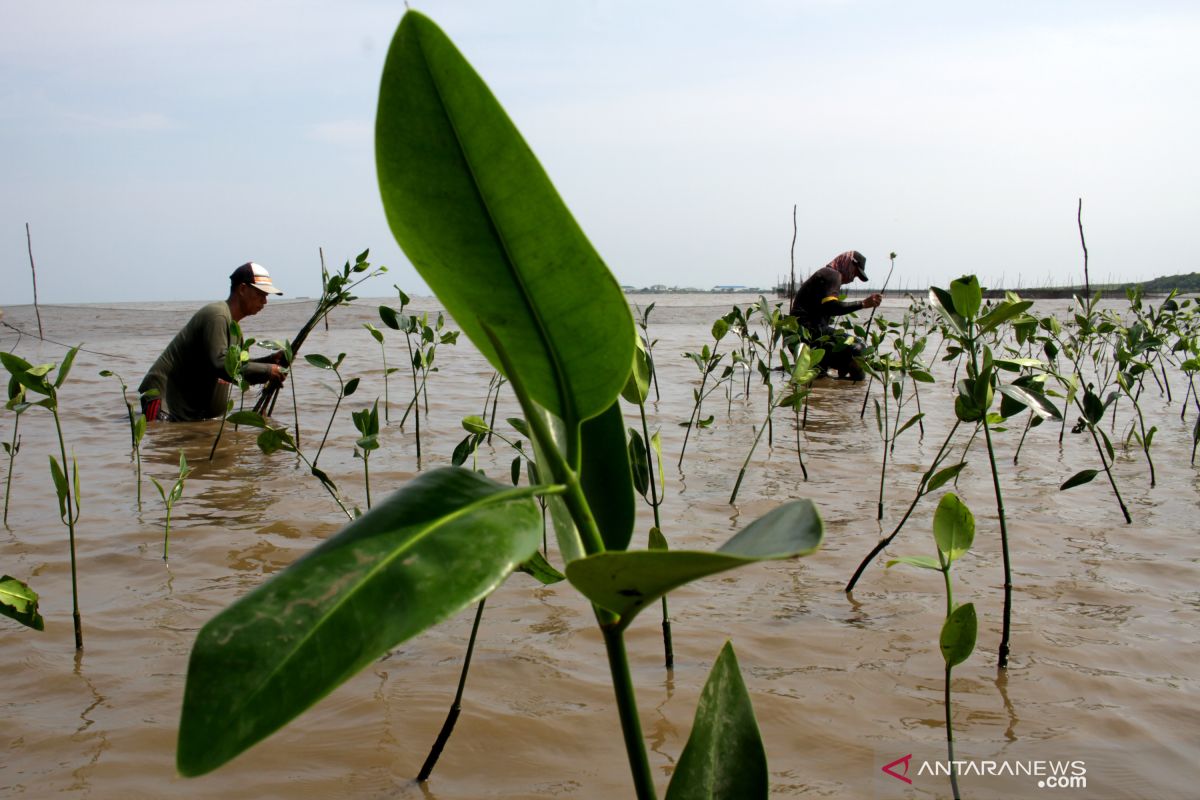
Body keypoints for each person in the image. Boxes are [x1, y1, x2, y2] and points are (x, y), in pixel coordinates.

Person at [138, 262, 287, 422]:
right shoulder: (217, 315)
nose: (264, 301)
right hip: (164, 405)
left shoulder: (234, 329)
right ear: (242, 289)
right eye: (261, 294)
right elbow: (220, 364)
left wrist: (270, 362)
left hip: (189, 416)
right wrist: (267, 370)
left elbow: (235, 370)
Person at [789, 250, 882, 381]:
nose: (852, 278)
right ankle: (856, 389)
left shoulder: (825, 274)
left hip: (799, 337)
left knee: (819, 379)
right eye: (855, 273)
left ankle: (838, 387)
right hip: (811, 332)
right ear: (849, 263)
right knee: (859, 347)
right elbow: (831, 307)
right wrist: (863, 304)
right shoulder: (833, 275)